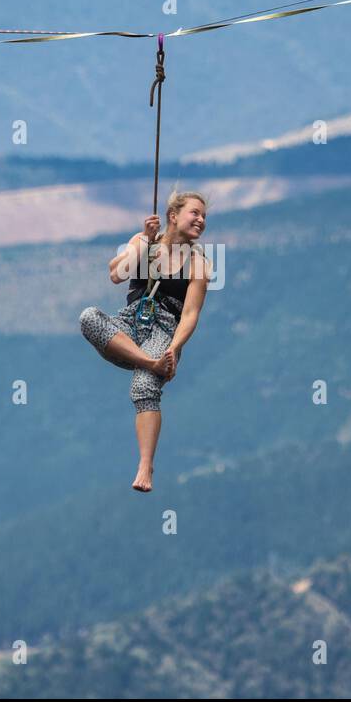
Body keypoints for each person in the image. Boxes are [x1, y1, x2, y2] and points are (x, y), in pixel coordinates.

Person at [78, 190, 211, 492]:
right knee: (88, 317)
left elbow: (190, 315)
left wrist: (174, 349)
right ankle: (149, 362)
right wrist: (144, 241)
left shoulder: (200, 265)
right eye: (195, 213)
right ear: (173, 216)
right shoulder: (143, 242)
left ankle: (145, 466)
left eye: (204, 217)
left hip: (164, 329)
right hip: (129, 324)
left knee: (144, 386)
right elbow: (116, 275)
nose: (201, 221)